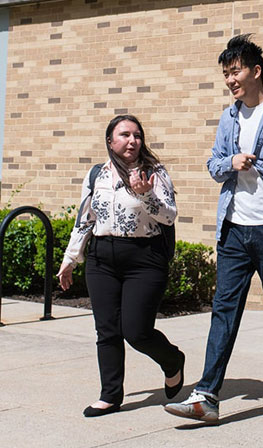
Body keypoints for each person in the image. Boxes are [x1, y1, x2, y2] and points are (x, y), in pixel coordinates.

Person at [164, 35, 263, 422]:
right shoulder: (229, 116)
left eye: (236, 71)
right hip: (233, 227)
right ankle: (206, 395)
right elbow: (213, 166)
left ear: (256, 71)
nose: (231, 79)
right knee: (223, 311)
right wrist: (232, 162)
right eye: (226, 73)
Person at [57, 114, 184, 417]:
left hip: (145, 258)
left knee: (137, 331)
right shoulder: (97, 175)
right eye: (124, 135)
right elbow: (85, 219)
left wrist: (145, 195)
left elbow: (168, 216)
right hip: (102, 258)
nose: (132, 140)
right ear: (110, 141)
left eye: (137, 135)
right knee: (107, 330)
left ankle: (172, 360)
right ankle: (110, 395)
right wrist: (70, 259)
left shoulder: (155, 172)